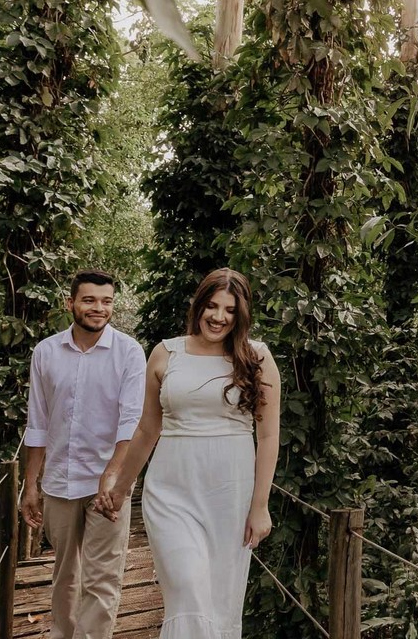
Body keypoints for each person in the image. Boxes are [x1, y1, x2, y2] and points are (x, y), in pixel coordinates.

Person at [95, 268, 282, 639]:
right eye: (211, 306)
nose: (219, 317)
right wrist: (120, 489)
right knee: (187, 591)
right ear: (198, 306)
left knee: (220, 602)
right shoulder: (166, 353)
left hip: (231, 493)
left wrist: (260, 506)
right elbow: (148, 429)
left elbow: (269, 434)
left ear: (241, 314)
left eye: (230, 310)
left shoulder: (256, 357)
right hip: (170, 491)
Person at [21, 269, 147, 639]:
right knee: (65, 572)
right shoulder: (46, 352)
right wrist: (31, 484)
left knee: (103, 576)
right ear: (71, 303)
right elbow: (38, 422)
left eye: (106, 301)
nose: (99, 308)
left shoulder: (129, 352)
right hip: (60, 479)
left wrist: (114, 474)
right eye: (89, 300)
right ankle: (63, 633)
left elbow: (132, 420)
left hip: (110, 483)